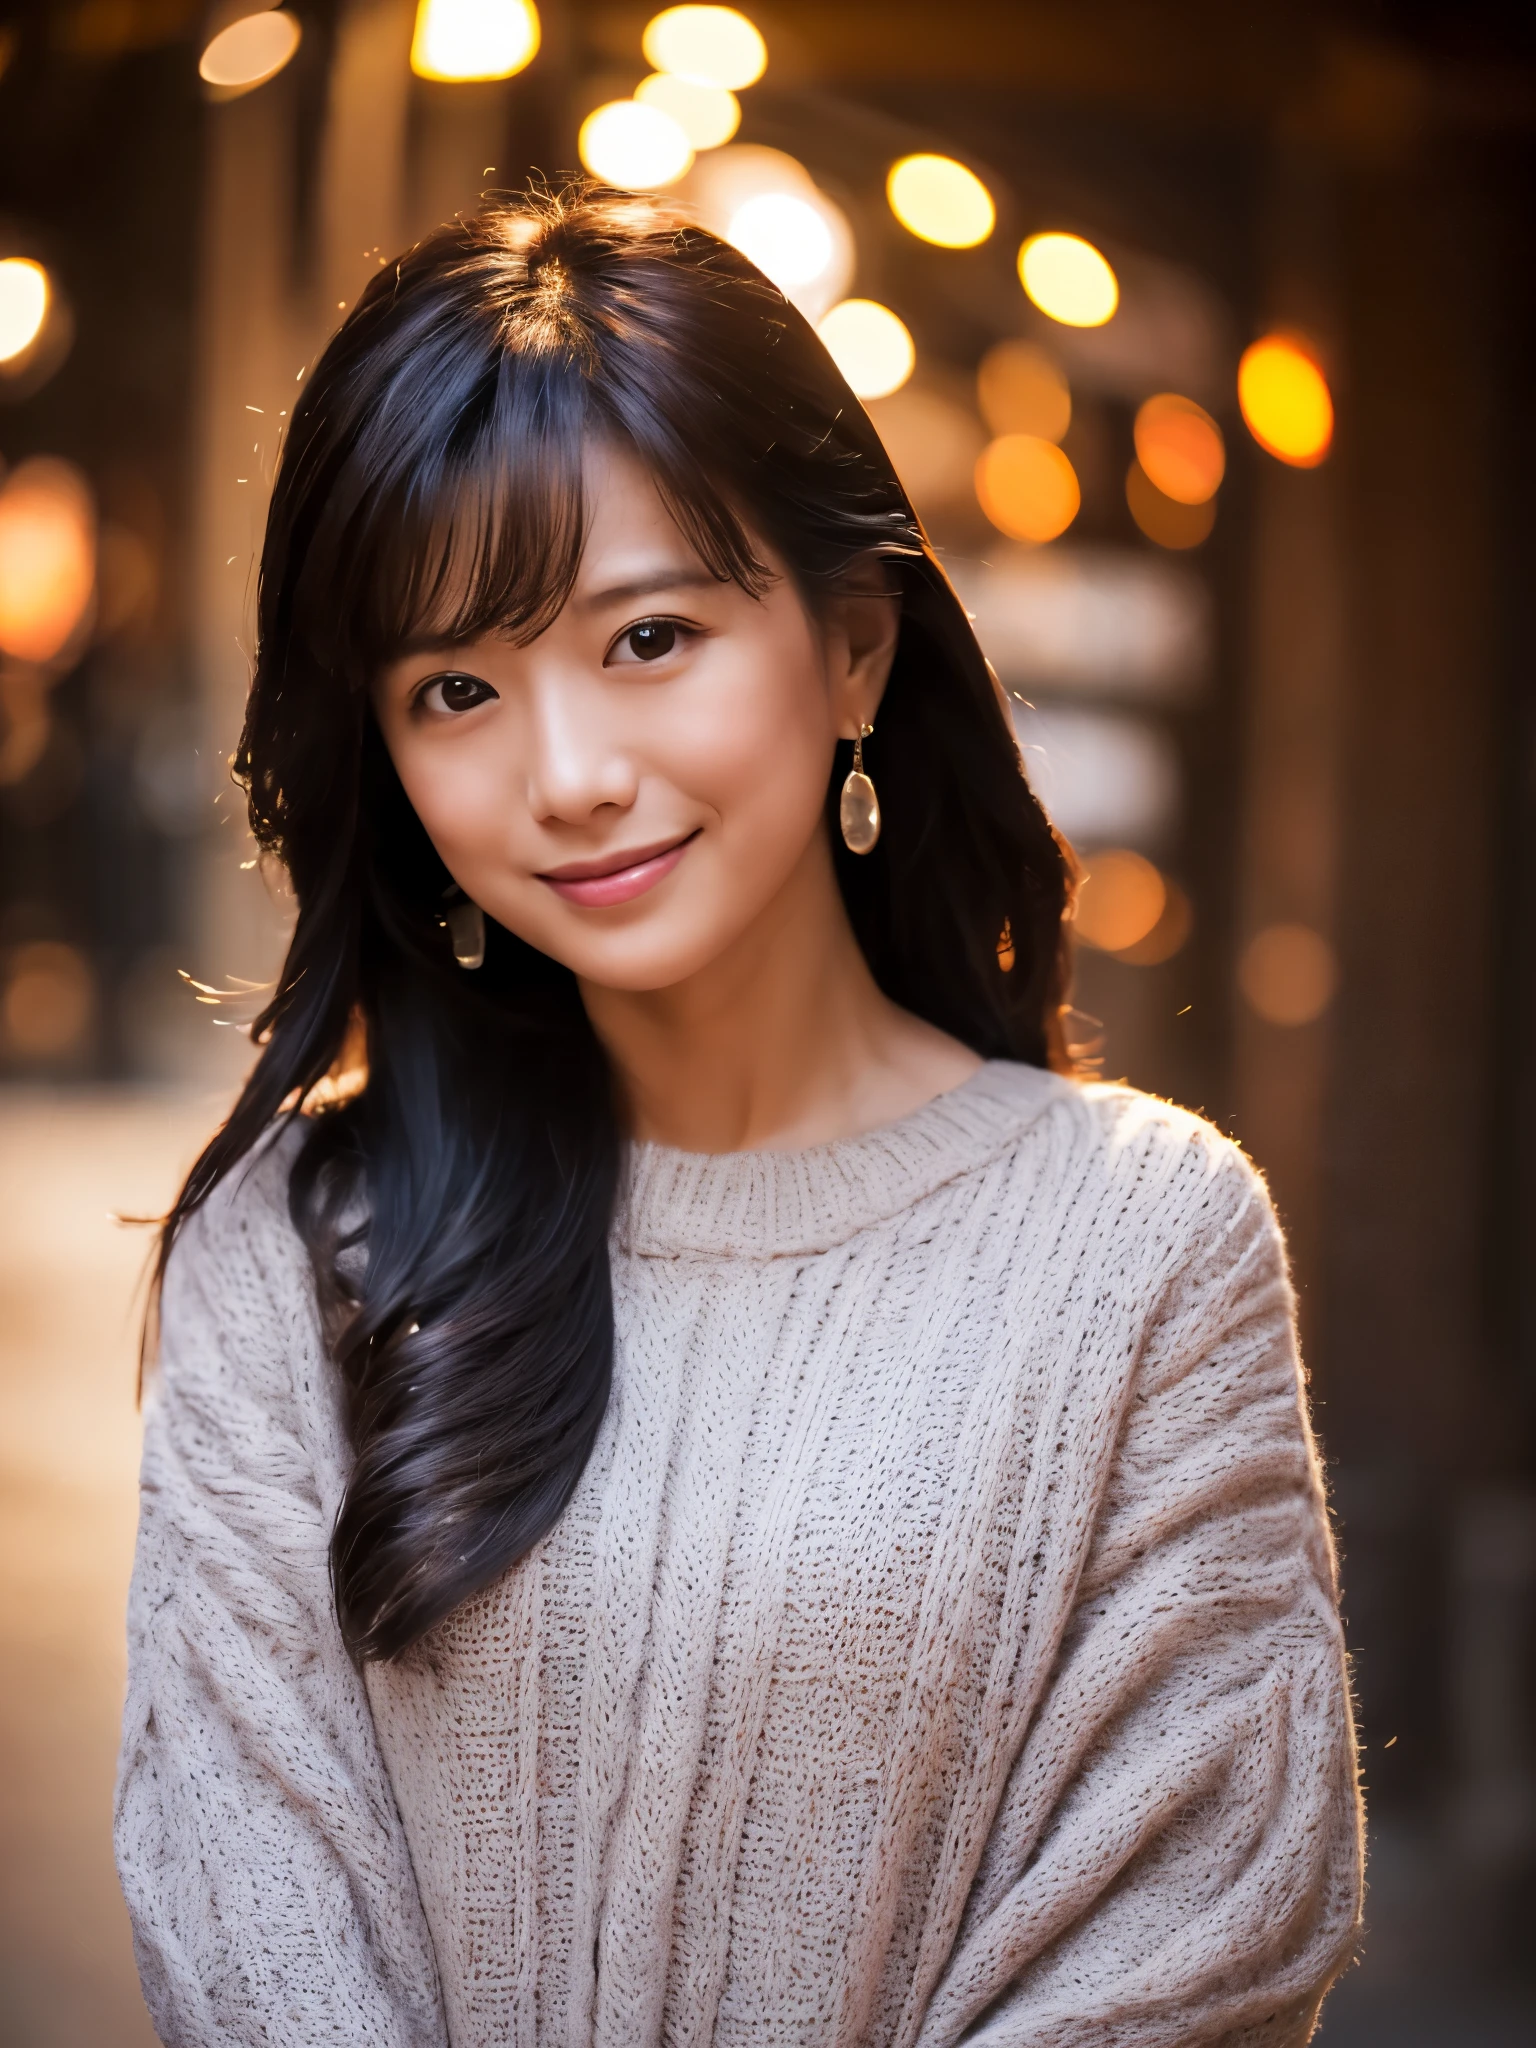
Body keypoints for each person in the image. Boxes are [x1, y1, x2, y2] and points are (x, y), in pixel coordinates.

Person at [115, 187, 1362, 2047]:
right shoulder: (297, 1255)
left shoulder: (1147, 1246)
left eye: (647, 641)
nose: (568, 777)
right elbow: (254, 1939)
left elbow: (1192, 1938)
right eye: (457, 687)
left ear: (855, 647)